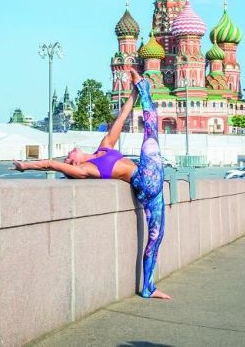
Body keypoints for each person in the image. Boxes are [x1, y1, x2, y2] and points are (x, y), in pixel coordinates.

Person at [12, 68, 171, 300]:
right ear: (74, 163)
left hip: (152, 193)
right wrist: (25, 166)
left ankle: (148, 287)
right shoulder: (85, 170)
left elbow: (122, 117)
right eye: (68, 158)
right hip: (146, 178)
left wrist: (132, 94)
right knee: (152, 130)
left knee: (157, 237)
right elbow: (52, 165)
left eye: (68, 155)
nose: (69, 154)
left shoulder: (105, 144)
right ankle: (144, 86)